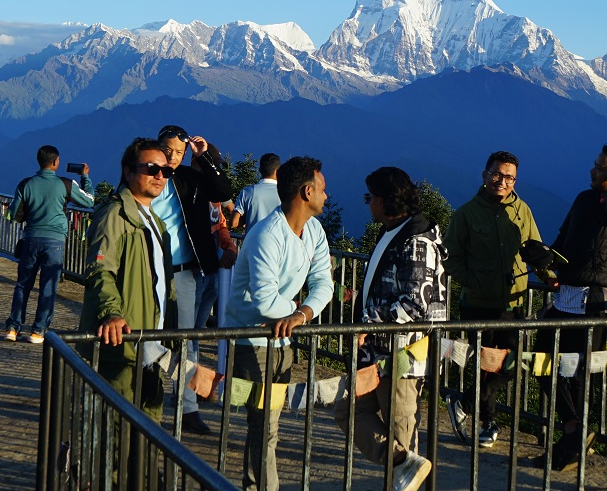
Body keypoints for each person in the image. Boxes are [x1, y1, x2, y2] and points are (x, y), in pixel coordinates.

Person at [226, 156, 335, 491]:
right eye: (322, 189)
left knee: (268, 426)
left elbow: (324, 284)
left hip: (281, 339)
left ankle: (256, 485)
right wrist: (297, 311)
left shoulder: (313, 229)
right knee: (264, 427)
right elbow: (264, 300)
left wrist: (298, 315)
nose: (326, 196)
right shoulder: (266, 236)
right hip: (252, 342)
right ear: (306, 192)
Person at [333, 167, 445, 491]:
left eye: (370, 198)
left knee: (401, 430)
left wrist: (369, 320)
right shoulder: (396, 231)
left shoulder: (416, 240)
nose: (368, 204)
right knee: (347, 409)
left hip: (401, 357)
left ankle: (403, 463)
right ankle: (402, 462)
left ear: (384, 201)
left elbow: (415, 304)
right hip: (378, 354)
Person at [531, 143, 607, 472]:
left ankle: (569, 443)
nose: (592, 170)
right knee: (543, 363)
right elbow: (562, 240)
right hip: (566, 294)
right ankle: (574, 431)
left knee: (578, 374)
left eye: (600, 167)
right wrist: (545, 258)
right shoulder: (582, 199)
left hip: (598, 300)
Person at [80, 138, 176, 486]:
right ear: (128, 171)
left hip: (151, 346)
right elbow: (100, 269)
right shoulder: (115, 215)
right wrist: (111, 313)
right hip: (123, 346)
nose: (160, 175)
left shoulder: (154, 222)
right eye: (151, 168)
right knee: (117, 432)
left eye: (165, 170)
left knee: (148, 429)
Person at [443, 150, 542, 448]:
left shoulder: (522, 210)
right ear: (485, 174)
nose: (502, 181)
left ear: (515, 180)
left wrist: (548, 271)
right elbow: (449, 257)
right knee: (485, 366)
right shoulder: (466, 214)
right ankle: (489, 424)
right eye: (497, 174)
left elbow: (534, 247)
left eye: (509, 177)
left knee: (512, 363)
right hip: (477, 303)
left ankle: (465, 405)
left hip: (513, 303)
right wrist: (473, 281)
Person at [152, 124, 236, 435]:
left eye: (179, 152)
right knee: (148, 336)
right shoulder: (144, 177)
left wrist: (205, 159)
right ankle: (148, 398)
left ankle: (188, 408)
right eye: (167, 150)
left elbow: (223, 193)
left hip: (185, 271)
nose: (172, 157)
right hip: (149, 272)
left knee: (184, 340)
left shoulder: (190, 180)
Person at [5, 145, 95, 343]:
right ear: (56, 162)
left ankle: (13, 328)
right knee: (48, 287)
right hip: (54, 241)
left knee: (22, 285)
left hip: (31, 239)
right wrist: (85, 177)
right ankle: (38, 331)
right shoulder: (65, 184)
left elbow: (13, 213)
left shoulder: (25, 184)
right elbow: (89, 201)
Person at [233, 153, 281, 230]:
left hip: (252, 240)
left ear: (260, 170)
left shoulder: (247, 191)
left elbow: (233, 223)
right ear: (278, 171)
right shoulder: (285, 194)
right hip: (277, 240)